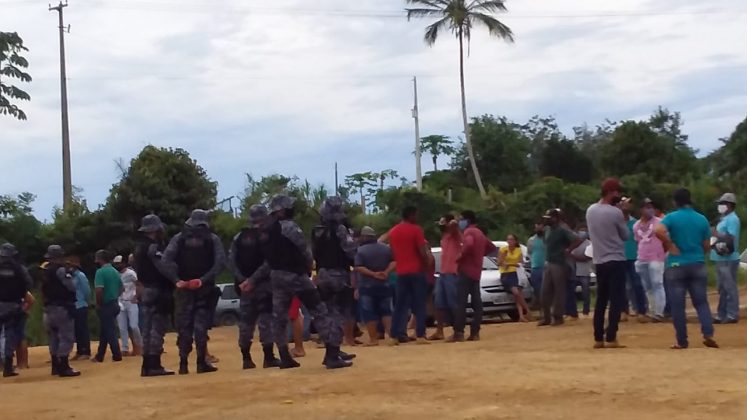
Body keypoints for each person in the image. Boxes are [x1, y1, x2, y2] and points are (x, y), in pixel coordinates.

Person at [263, 194, 352, 369]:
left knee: (279, 316)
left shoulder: (267, 229)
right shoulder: (290, 227)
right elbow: (304, 250)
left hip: (276, 276)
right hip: (296, 276)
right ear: (282, 210)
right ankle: (332, 354)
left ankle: (284, 356)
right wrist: (309, 266)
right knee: (319, 311)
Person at [163, 209, 226, 374]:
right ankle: (201, 362)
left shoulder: (179, 239)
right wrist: (202, 280)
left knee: (184, 327)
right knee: (201, 327)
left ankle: (183, 363)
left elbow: (166, 260)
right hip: (204, 289)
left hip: (184, 288)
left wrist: (177, 280)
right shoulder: (212, 239)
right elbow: (220, 263)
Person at [655, 188, 718, 349]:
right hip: (697, 263)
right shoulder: (702, 219)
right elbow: (706, 245)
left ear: (675, 201)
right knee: (701, 302)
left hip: (676, 264)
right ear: (690, 199)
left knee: (678, 305)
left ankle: (682, 340)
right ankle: (708, 333)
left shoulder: (672, 217)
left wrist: (669, 244)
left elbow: (658, 230)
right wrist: (698, 254)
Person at [228, 204, 280, 370]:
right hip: (263, 285)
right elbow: (270, 261)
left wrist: (243, 280)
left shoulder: (239, 237)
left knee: (246, 323)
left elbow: (231, 262)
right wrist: (253, 280)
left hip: (244, 288)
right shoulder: (268, 236)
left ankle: (246, 358)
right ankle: (268, 357)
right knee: (266, 320)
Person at [311, 197, 358, 360]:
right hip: (338, 274)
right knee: (339, 314)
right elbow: (350, 252)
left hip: (322, 274)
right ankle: (332, 354)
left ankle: (333, 350)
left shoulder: (317, 231)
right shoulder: (340, 229)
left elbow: (314, 253)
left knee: (328, 312)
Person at [586, 178, 629, 349]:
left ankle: (598, 337)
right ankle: (611, 336)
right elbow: (625, 235)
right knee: (616, 300)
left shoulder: (590, 210)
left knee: (601, 300)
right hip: (616, 259)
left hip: (599, 260)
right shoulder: (616, 213)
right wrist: (623, 212)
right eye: (617, 192)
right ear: (612, 192)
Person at [133, 214, 176, 377]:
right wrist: (176, 279)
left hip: (146, 289)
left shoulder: (139, 247)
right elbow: (163, 266)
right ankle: (154, 365)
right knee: (157, 328)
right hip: (157, 289)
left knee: (147, 328)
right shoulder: (153, 247)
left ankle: (146, 365)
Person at [388, 206, 433, 345]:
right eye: (416, 215)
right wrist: (426, 264)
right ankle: (420, 335)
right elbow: (422, 251)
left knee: (400, 305)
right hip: (416, 271)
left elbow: (393, 253)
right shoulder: (416, 230)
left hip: (401, 272)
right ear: (411, 215)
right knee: (419, 304)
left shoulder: (393, 231)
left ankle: (394, 336)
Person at [451, 210, 496, 342]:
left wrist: (461, 256)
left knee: (461, 302)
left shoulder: (469, 232)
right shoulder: (480, 233)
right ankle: (475, 332)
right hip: (476, 272)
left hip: (465, 271)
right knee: (477, 303)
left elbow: (469, 244)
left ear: (468, 220)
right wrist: (479, 255)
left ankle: (459, 332)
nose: (460, 222)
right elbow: (491, 247)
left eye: (461, 219)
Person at [41, 245, 81, 376]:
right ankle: (64, 366)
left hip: (48, 309)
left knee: (53, 337)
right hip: (62, 308)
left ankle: (55, 366)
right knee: (66, 336)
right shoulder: (61, 270)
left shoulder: (45, 271)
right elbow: (71, 287)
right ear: (59, 256)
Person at [538, 209, 581, 327]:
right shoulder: (548, 229)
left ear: (555, 218)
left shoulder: (563, 229)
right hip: (549, 261)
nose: (546, 220)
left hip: (560, 262)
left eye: (549, 218)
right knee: (545, 291)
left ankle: (558, 316)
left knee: (559, 291)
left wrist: (568, 249)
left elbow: (577, 239)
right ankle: (546, 317)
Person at [354, 226, 396, 346]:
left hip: (367, 285)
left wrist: (373, 274)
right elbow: (394, 262)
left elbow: (359, 267)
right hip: (384, 283)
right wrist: (386, 272)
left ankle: (373, 339)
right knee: (386, 311)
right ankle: (391, 337)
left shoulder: (360, 250)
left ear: (364, 237)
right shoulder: (386, 249)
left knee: (368, 312)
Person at [0, 243, 32, 377]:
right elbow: (28, 284)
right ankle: (8, 366)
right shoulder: (19, 268)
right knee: (10, 334)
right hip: (13, 304)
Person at [428, 215, 461, 340]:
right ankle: (439, 331)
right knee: (438, 302)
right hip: (442, 273)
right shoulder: (445, 237)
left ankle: (458, 331)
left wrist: (451, 222)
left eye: (442, 222)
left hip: (452, 273)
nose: (440, 225)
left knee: (453, 303)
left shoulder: (454, 234)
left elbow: (454, 224)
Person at [633, 199, 667, 322]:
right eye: (647, 207)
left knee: (657, 283)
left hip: (657, 257)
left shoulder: (660, 222)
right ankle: (652, 310)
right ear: (641, 209)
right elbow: (638, 241)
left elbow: (666, 239)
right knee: (647, 286)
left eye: (651, 207)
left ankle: (659, 312)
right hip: (642, 258)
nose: (650, 210)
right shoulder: (636, 225)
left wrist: (664, 254)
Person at [711, 193, 741, 324]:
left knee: (729, 287)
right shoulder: (724, 218)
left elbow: (731, 237)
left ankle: (732, 314)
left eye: (721, 204)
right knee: (722, 287)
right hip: (720, 257)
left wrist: (716, 234)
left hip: (728, 257)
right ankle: (721, 313)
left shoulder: (733, 219)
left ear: (729, 205)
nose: (719, 206)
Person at [92, 249, 124, 363]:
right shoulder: (115, 271)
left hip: (106, 304)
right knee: (105, 330)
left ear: (100, 259)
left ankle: (117, 354)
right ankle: (99, 355)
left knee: (109, 330)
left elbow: (99, 290)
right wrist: (114, 295)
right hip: (115, 303)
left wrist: (99, 303)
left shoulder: (100, 272)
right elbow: (122, 288)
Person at [620, 198, 648, 321]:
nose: (626, 205)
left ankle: (641, 311)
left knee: (637, 284)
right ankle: (623, 311)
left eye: (629, 203)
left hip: (635, 257)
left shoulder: (636, 223)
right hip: (620, 257)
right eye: (624, 203)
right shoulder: (616, 223)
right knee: (621, 285)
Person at [114, 255, 143, 357]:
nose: (117, 265)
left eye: (119, 263)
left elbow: (139, 284)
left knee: (134, 325)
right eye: (116, 264)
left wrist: (136, 296)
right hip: (120, 301)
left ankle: (140, 346)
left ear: (124, 263)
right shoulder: (115, 274)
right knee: (122, 327)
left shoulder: (131, 273)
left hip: (131, 302)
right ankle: (124, 348)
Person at [499, 234, 531, 322]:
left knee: (518, 294)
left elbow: (521, 263)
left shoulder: (518, 250)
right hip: (507, 274)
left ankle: (521, 316)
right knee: (516, 292)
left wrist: (510, 264)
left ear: (515, 241)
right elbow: (500, 262)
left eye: (511, 239)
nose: (509, 241)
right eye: (508, 239)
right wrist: (507, 261)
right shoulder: (503, 249)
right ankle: (527, 310)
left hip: (517, 273)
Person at [68, 257, 91, 361]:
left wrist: (88, 301)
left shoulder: (80, 276)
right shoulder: (70, 277)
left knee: (82, 329)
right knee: (76, 330)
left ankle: (86, 351)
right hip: (73, 305)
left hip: (81, 304)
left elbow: (86, 290)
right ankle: (80, 351)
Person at [568, 225, 592, 319]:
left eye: (584, 231)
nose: (582, 233)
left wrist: (571, 255)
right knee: (571, 292)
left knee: (586, 292)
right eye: (580, 231)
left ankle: (586, 311)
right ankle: (572, 312)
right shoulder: (572, 243)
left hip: (584, 271)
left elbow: (586, 257)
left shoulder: (589, 244)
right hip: (573, 271)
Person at [527, 221, 546, 308]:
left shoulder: (547, 239)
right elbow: (529, 253)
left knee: (546, 288)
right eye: (537, 227)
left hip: (546, 266)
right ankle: (540, 305)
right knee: (537, 288)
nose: (538, 229)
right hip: (535, 267)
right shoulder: (531, 240)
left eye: (540, 227)